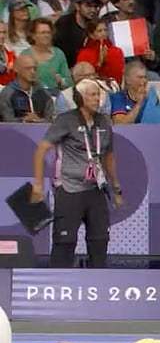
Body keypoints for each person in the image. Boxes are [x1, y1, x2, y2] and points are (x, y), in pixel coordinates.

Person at [31, 78, 123, 269]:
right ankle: (58, 285)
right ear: (80, 98)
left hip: (96, 189)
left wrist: (116, 189)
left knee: (99, 240)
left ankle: (98, 285)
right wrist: (38, 184)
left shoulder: (104, 122)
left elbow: (109, 157)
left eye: (99, 95)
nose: (98, 99)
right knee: (65, 242)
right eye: (92, 95)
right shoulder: (66, 120)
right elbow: (41, 150)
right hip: (69, 188)